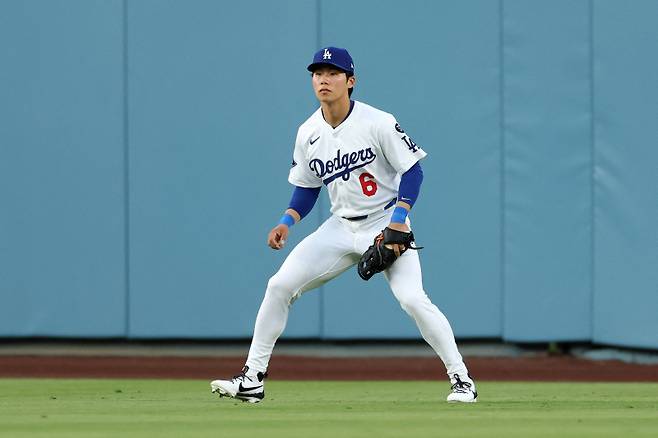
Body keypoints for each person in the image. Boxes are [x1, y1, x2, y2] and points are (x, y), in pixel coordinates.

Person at [211, 47, 477, 403]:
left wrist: (398, 220)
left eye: (333, 72)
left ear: (350, 81)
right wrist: (286, 222)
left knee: (413, 299)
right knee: (278, 286)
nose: (324, 78)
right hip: (339, 228)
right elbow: (306, 188)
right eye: (317, 73)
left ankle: (461, 379)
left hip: (385, 220)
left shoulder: (377, 122)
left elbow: (412, 170)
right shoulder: (307, 132)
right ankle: (252, 379)